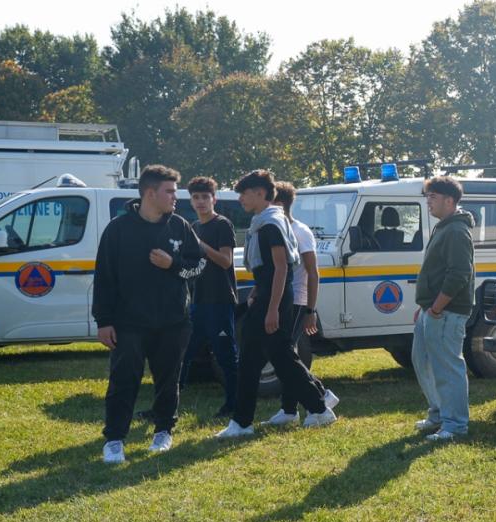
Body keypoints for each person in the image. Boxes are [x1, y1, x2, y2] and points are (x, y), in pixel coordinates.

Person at [93, 165, 206, 463]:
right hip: (128, 323)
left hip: (173, 323)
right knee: (123, 381)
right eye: (169, 191)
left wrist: (173, 263)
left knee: (168, 381)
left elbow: (198, 267)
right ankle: (115, 439)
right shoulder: (118, 229)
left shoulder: (180, 226)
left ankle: (163, 431)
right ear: (150, 193)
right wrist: (103, 321)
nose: (175, 198)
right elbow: (103, 277)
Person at [218, 170, 337, 438]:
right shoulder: (264, 221)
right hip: (267, 294)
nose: (240, 200)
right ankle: (243, 422)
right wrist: (258, 293)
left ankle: (318, 408)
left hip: (276, 299)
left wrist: (272, 309)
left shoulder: (270, 224)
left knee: (278, 358)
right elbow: (268, 270)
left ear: (260, 193)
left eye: (244, 194)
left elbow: (281, 269)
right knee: (258, 358)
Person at [264, 182, 336, 427]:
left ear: (280, 204)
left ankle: (320, 397)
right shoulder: (275, 228)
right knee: (286, 356)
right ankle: (289, 409)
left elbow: (313, 272)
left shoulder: (300, 231)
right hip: (285, 300)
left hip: (296, 300)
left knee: (285, 355)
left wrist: (310, 310)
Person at [412, 175, 476, 442]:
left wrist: (437, 308)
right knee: (422, 360)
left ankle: (455, 425)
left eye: (433, 197)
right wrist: (426, 306)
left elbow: (459, 273)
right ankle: (439, 413)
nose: (429, 202)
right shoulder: (444, 227)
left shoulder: (457, 231)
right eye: (428, 197)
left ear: (450, 201)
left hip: (447, 312)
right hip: (433, 310)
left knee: (447, 367)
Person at [177, 176, 239, 421]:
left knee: (226, 357)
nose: (200, 202)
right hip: (198, 303)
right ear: (190, 201)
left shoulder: (222, 225)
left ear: (214, 199)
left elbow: (225, 261)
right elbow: (192, 265)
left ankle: (234, 406)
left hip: (220, 302)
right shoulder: (193, 226)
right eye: (196, 197)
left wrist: (201, 244)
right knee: (182, 355)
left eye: (205, 197)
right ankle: (168, 404)